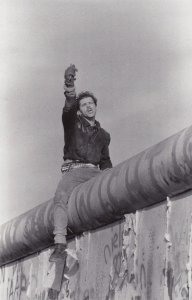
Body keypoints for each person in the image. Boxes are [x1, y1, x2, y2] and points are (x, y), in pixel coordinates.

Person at [49, 64, 112, 262]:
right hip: (73, 172)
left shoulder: (104, 135)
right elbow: (69, 106)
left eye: (91, 103)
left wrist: (110, 178)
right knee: (60, 198)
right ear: (79, 110)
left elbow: (105, 161)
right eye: (84, 104)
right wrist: (69, 83)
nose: (88, 106)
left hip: (94, 172)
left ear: (96, 106)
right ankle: (60, 243)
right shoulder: (72, 124)